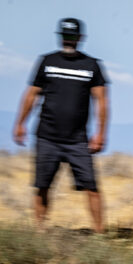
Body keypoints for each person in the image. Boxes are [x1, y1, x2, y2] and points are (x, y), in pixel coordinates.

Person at [13, 18, 109, 233]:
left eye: (72, 37)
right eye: (65, 36)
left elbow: (102, 101)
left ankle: (99, 234)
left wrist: (101, 134)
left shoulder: (91, 66)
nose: (68, 40)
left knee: (91, 187)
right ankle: (39, 231)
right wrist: (20, 123)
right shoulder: (47, 62)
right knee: (42, 186)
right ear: (59, 36)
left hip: (78, 140)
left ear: (80, 38)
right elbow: (31, 95)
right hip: (47, 136)